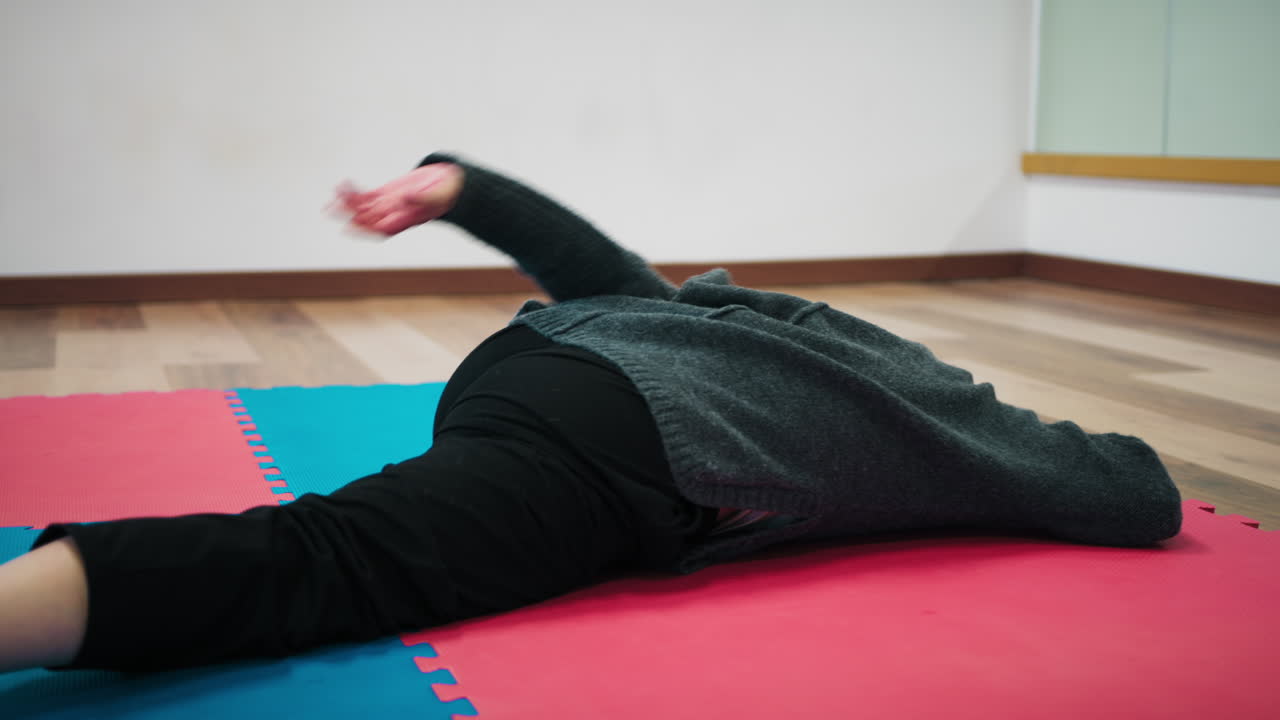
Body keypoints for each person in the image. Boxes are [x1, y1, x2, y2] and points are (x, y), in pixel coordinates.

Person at [0, 154, 1182, 675]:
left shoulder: (723, 327)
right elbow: (1133, 493)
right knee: (328, 561)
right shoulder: (951, 424)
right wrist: (1035, 432)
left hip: (526, 368)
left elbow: (592, 264)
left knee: (341, 544)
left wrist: (453, 187)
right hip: (615, 450)